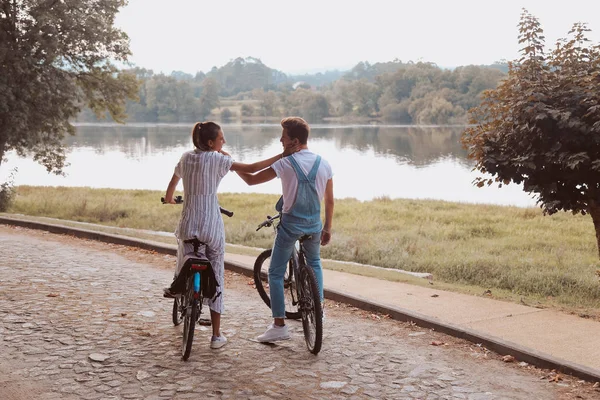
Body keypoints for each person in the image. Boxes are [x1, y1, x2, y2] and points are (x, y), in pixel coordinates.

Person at [163, 121, 298, 349]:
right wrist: (282, 154)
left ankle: (180, 289)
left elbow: (172, 184)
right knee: (216, 273)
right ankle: (216, 336)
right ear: (210, 142)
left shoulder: (186, 158)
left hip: (188, 225)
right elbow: (252, 168)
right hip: (211, 226)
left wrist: (169, 199)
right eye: (221, 138)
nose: (224, 141)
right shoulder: (218, 160)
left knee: (183, 258)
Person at [235, 117, 334, 343]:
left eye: (284, 137)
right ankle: (319, 309)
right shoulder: (324, 163)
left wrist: (232, 167)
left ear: (295, 141)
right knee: (315, 263)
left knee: (276, 273)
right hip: (314, 225)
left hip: (290, 226)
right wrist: (327, 227)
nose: (280, 140)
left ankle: (279, 325)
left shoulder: (285, 163)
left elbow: (251, 179)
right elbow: (329, 201)